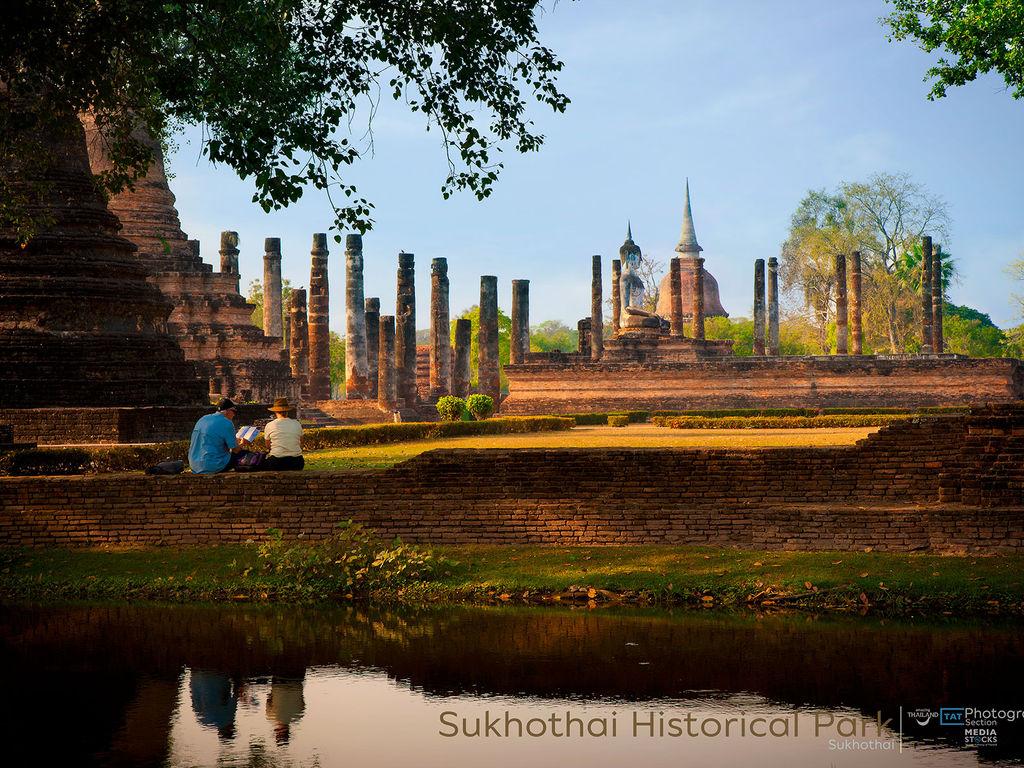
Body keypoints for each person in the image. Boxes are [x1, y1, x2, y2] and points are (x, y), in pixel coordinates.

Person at [188, 398, 240, 474]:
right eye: (234, 411)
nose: (234, 414)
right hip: (212, 465)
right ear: (227, 411)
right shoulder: (227, 422)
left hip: (194, 465)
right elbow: (235, 450)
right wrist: (244, 443)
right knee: (243, 455)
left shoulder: (203, 418)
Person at [262, 397, 304, 471]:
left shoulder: (270, 425)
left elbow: (268, 446)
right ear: (287, 411)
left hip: (277, 462)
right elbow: (301, 444)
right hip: (297, 462)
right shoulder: (296, 423)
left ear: (275, 412)